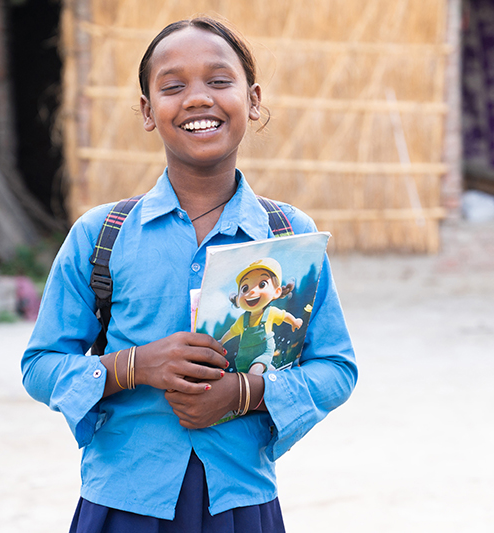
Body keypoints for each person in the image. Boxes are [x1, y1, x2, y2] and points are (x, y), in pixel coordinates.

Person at [21, 16, 357, 533]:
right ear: (147, 110)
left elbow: (335, 368)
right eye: (173, 86)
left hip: (240, 500)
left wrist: (246, 393)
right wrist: (133, 366)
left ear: (253, 99)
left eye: (219, 81)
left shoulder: (288, 235)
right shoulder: (101, 235)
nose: (198, 98)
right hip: (123, 502)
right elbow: (40, 365)